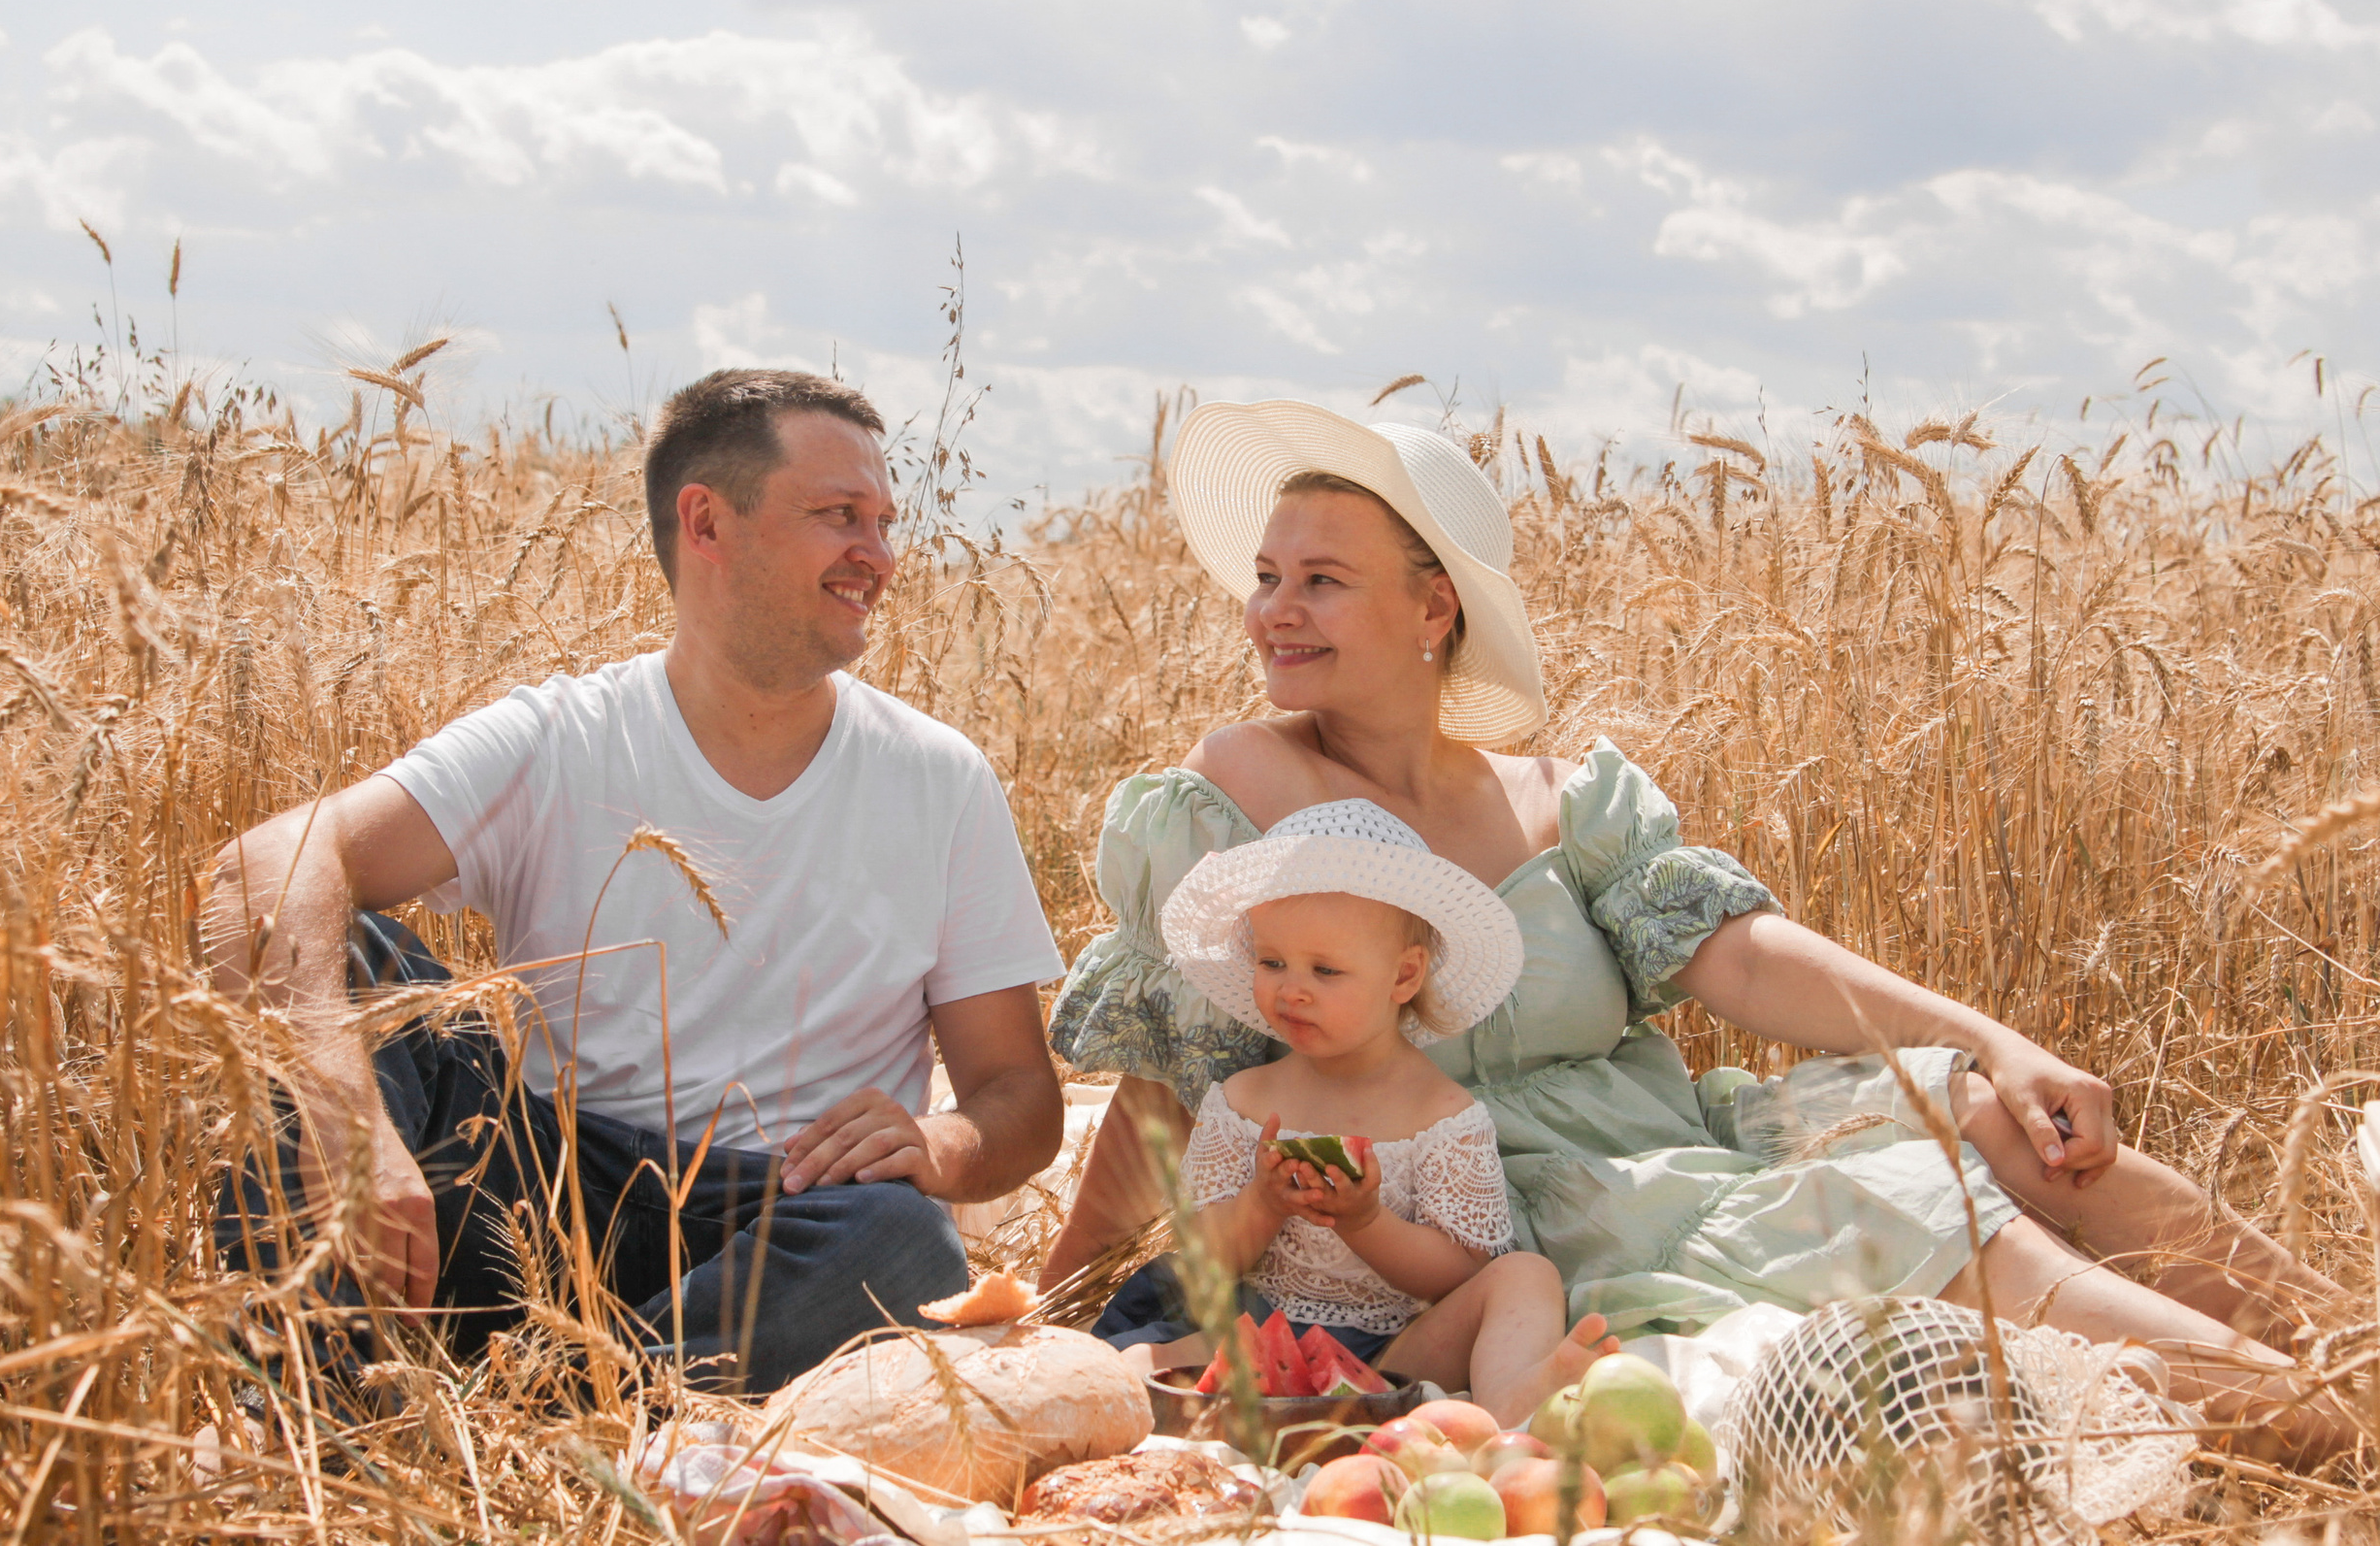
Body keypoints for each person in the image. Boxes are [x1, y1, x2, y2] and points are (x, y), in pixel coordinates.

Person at [1043, 398, 2356, 1460]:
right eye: (1268, 574)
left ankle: (2345, 1337)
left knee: (2007, 1118)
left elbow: (1737, 952)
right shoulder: (1236, 790)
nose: (1273, 605)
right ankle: (2317, 1414)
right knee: (1914, 1218)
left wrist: (1997, 1037)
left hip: (1681, 1132)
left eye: (1321, 578)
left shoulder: (1562, 798)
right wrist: (1048, 1313)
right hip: (1542, 1198)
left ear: (1434, 605)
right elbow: (1168, 1056)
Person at [208, 369, 1065, 1395]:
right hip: (534, 1195)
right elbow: (265, 867)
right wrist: (350, 1124)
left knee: (903, 1244)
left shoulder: (937, 778)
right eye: (840, 516)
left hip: (783, 1218)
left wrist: (941, 1143)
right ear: (705, 522)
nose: (877, 556)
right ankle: (323, 1423)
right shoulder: (561, 738)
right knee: (340, 961)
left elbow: (1019, 1098)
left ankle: (561, 1421)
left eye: (884, 521)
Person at [1092, 797, 1620, 1424]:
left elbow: (1456, 1271)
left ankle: (1510, 1396)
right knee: (1137, 1366)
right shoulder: (1245, 1099)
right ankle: (1142, 1396)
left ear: (1403, 976)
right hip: (1260, 1327)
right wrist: (1261, 1204)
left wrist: (1366, 1219)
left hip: (1398, 1352)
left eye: (1326, 968)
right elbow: (1204, 1260)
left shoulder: (1442, 1113)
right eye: (1272, 961)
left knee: (1524, 1274)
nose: (1291, 987)